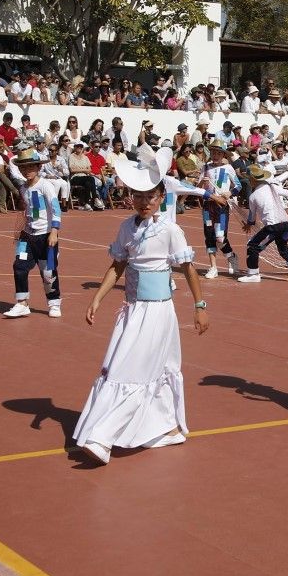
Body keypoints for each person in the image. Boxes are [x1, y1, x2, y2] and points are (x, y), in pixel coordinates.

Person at [73, 147, 208, 465]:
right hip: (132, 310)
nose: (144, 201)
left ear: (162, 197)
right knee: (127, 367)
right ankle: (164, 428)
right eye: (138, 195)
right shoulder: (126, 228)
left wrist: (200, 305)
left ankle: (104, 437)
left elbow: (187, 268)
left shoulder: (170, 230)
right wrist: (97, 298)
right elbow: (117, 266)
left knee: (133, 369)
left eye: (151, 195)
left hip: (158, 313)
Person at [2, 150, 64, 319]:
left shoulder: (46, 186)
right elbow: (29, 211)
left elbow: (55, 209)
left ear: (38, 167)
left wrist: (54, 232)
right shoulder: (23, 188)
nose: (27, 170)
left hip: (47, 236)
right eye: (23, 167)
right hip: (27, 236)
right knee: (19, 265)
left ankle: (54, 302)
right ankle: (22, 303)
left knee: (48, 271)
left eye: (30, 167)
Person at [238, 164, 288, 284]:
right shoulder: (273, 187)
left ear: (253, 179)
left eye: (249, 179)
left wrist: (248, 225)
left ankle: (253, 274)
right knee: (283, 248)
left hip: (273, 226)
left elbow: (252, 218)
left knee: (252, 246)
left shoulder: (253, 197)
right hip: (286, 224)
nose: (249, 181)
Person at [200, 140, 242, 278]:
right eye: (213, 152)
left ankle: (231, 256)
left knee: (220, 237)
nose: (215, 155)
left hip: (222, 206)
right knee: (209, 235)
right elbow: (198, 188)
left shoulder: (228, 168)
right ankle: (213, 267)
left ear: (223, 154)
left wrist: (230, 193)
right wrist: (202, 182)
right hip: (208, 206)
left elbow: (238, 186)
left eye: (218, 152)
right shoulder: (205, 167)